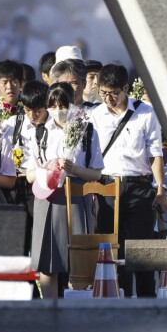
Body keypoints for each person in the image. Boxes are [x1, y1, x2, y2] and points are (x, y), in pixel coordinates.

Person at [92, 63, 167, 298]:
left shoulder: (145, 113)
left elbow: (155, 154)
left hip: (138, 186)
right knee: (110, 247)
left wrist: (161, 189)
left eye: (113, 93)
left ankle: (146, 300)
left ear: (126, 88)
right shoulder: (96, 114)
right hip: (107, 185)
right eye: (103, 93)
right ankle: (116, 297)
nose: (108, 98)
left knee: (141, 249)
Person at [24, 81, 103, 298]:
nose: (58, 111)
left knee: (78, 263)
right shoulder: (40, 133)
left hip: (77, 196)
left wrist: (75, 168)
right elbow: (29, 174)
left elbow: (97, 173)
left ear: (73, 104)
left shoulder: (87, 131)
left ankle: (76, 315)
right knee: (49, 263)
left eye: (63, 106)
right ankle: (51, 313)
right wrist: (46, 171)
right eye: (53, 106)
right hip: (47, 198)